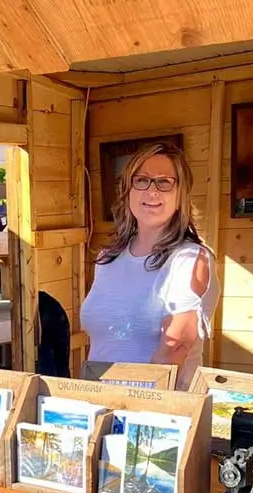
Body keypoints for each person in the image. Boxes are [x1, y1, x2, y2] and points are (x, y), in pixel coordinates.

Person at [80, 142, 220, 390]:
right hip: (100, 402)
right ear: (128, 190)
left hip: (156, 414)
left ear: (180, 195)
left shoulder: (188, 259)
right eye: (141, 180)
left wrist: (134, 408)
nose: (152, 192)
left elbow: (176, 346)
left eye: (164, 182)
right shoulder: (107, 258)